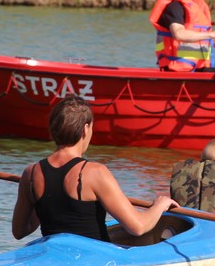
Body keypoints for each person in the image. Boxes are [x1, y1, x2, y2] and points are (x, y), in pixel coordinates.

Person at [12, 95, 179, 242]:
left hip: (54, 259)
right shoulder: (94, 172)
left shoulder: (31, 173)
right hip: (93, 261)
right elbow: (137, 227)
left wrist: (46, 204)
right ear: (85, 129)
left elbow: (19, 231)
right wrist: (159, 205)